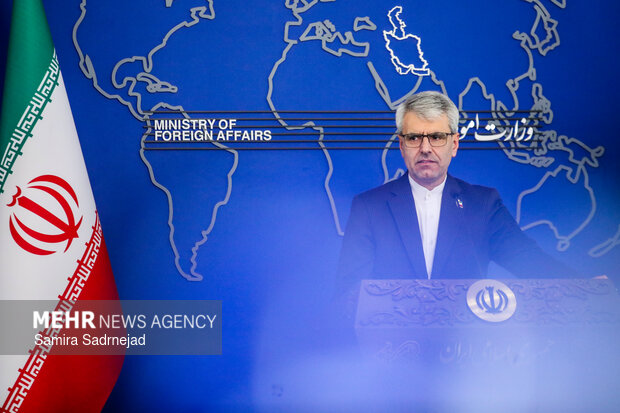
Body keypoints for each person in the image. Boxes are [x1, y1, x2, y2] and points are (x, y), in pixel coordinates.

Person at [337, 91, 580, 293]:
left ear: (454, 144)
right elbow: (349, 290)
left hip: (466, 335)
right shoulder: (369, 207)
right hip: (391, 336)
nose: (425, 148)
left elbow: (528, 260)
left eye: (437, 137)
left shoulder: (483, 204)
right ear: (401, 145)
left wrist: (585, 287)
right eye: (414, 138)